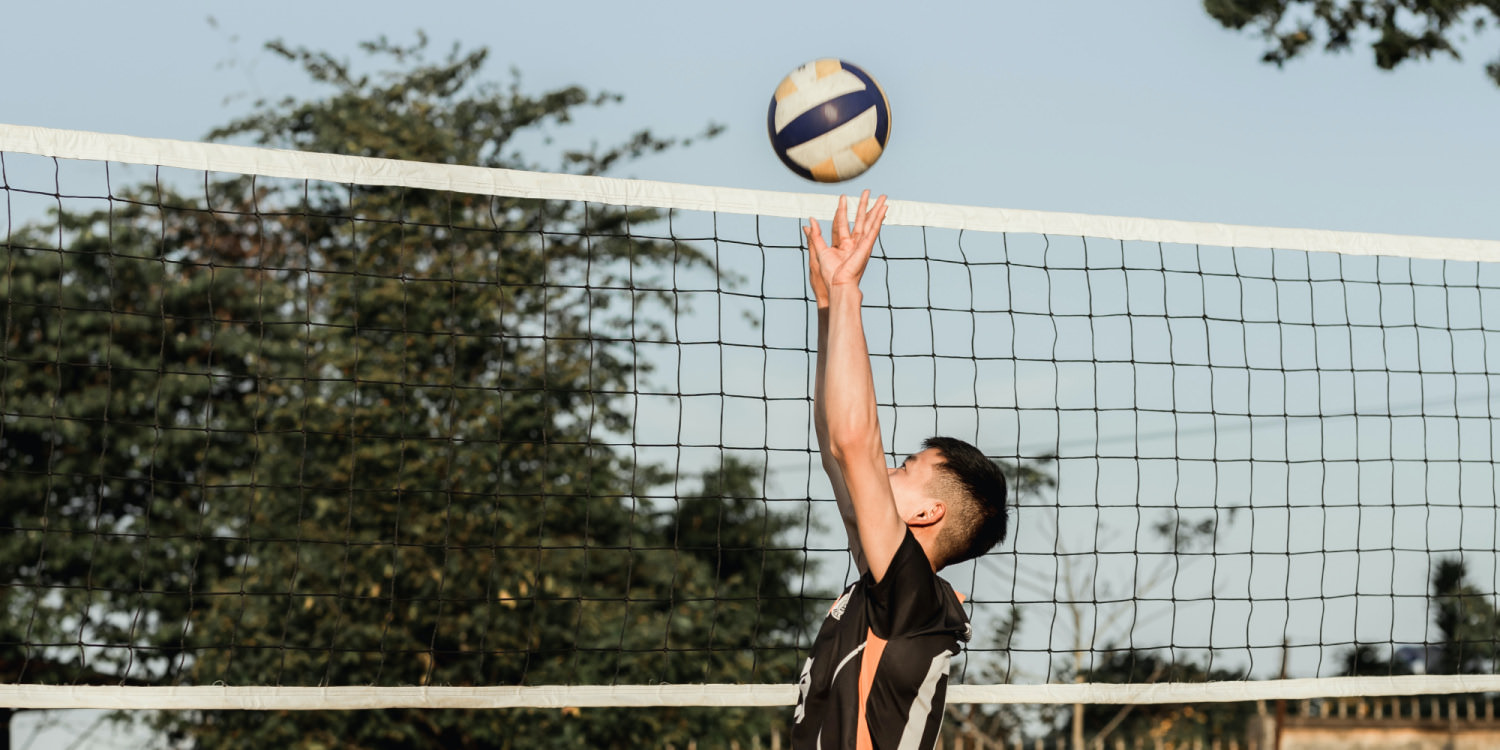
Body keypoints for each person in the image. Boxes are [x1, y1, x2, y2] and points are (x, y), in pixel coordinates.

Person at [791, 191, 1009, 750]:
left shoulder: (913, 598)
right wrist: (827, 311)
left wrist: (847, 291)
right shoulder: (889, 589)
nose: (888, 467)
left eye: (907, 466)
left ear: (927, 511)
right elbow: (839, 446)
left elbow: (855, 442)